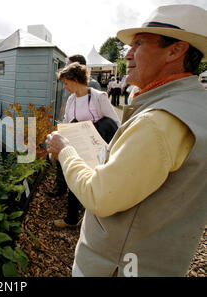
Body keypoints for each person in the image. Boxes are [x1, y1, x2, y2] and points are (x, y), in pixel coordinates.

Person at [46, 4, 207, 276]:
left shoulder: (157, 122)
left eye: (139, 44)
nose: (127, 54)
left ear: (175, 50)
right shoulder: (194, 104)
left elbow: (100, 196)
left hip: (116, 266)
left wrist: (65, 150)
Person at [52, 62, 120, 229]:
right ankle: (72, 218)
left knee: (96, 179)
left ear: (75, 80)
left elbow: (115, 123)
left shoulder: (98, 97)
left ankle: (91, 217)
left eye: (66, 83)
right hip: (79, 144)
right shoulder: (71, 99)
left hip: (97, 146)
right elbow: (68, 123)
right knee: (76, 178)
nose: (65, 87)